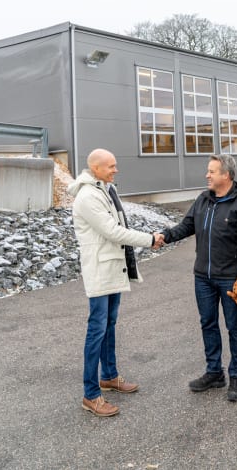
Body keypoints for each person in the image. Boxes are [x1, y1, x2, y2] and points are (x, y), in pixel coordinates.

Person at [155, 154, 237, 402]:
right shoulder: (203, 200)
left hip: (230, 279)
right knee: (208, 323)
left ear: (226, 175)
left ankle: (236, 376)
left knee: (235, 327)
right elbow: (186, 226)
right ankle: (214, 373)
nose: (207, 175)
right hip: (203, 277)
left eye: (212, 171)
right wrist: (164, 236)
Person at [68, 148, 164, 417]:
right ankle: (91, 395)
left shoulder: (106, 190)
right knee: (96, 330)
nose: (115, 169)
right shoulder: (88, 197)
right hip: (100, 271)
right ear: (96, 169)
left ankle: (108, 376)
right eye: (111, 166)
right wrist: (149, 238)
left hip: (113, 269)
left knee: (109, 325)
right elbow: (112, 231)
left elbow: (118, 225)